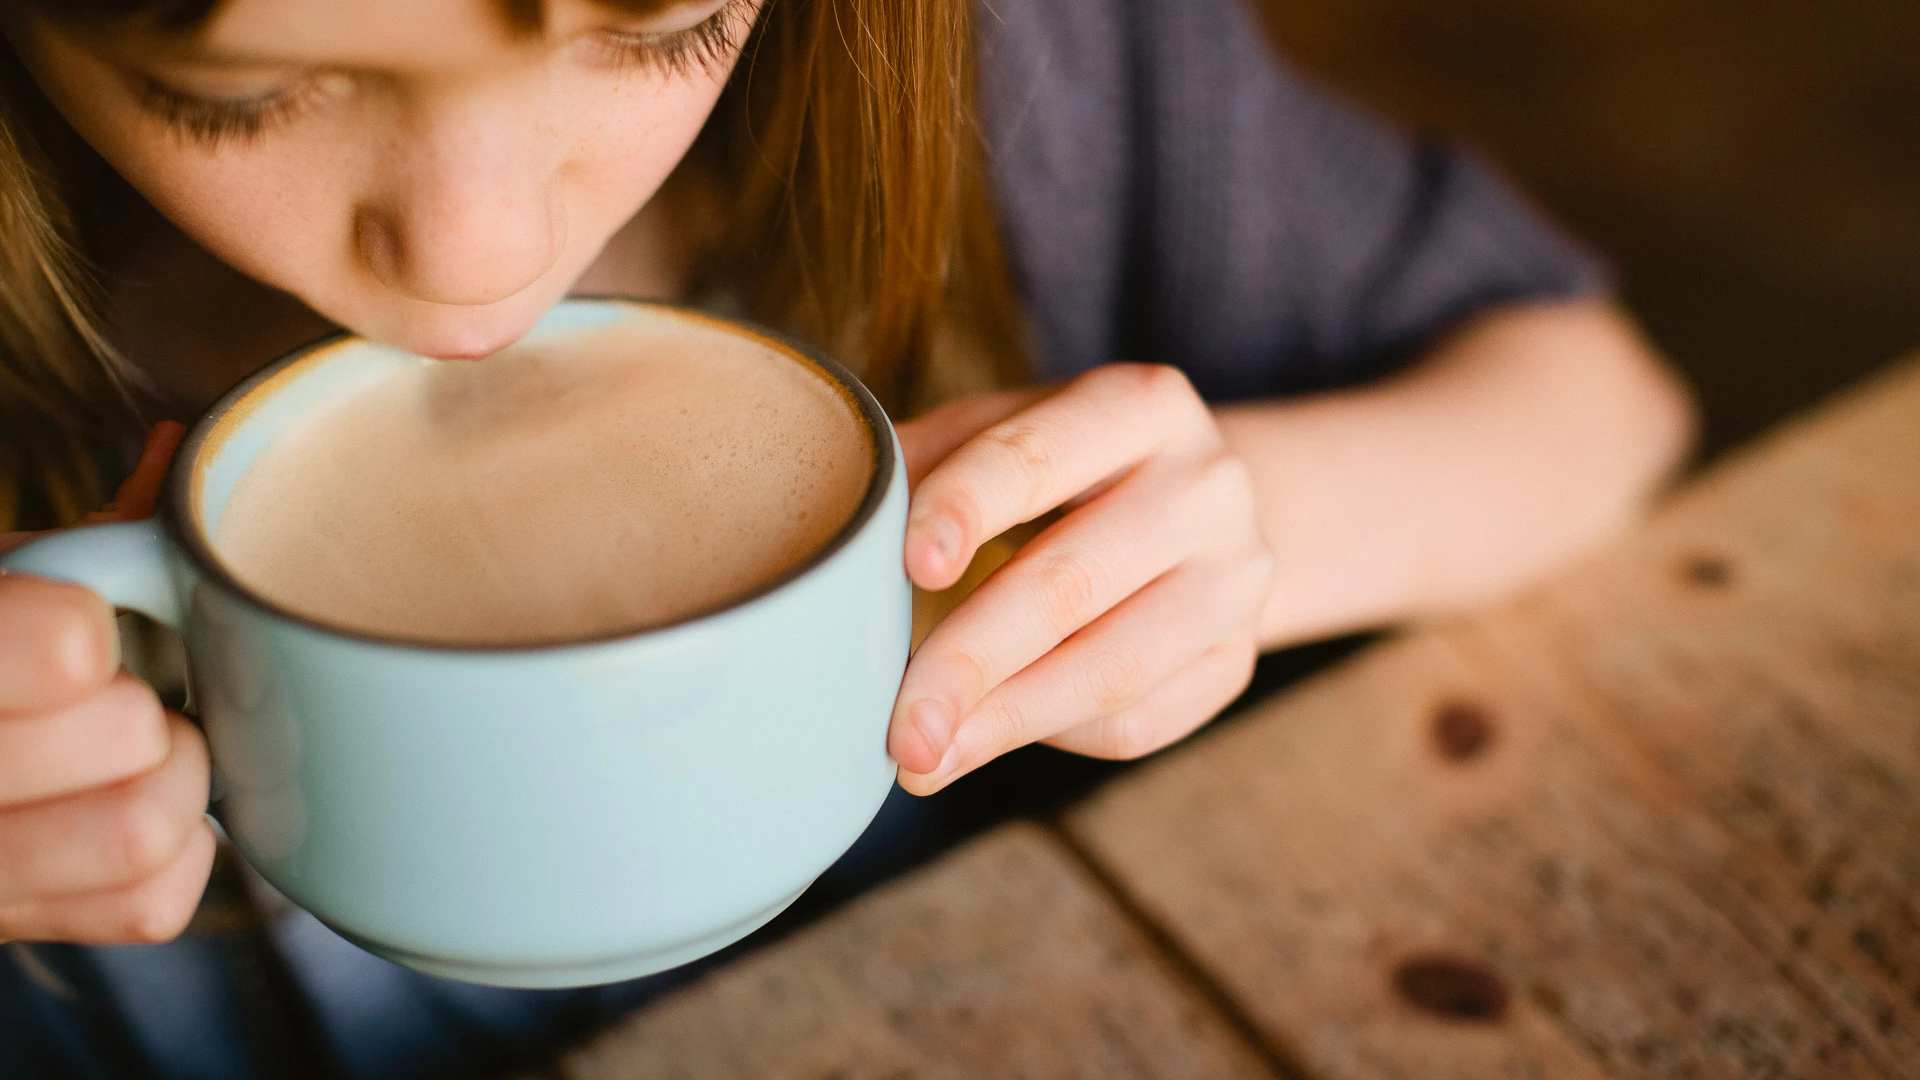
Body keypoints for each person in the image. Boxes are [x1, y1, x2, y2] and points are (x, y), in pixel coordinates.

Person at [0, 0, 1694, 1075]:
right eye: (237, 91)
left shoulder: (1035, 63)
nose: (477, 251)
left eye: (658, 21)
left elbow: (1599, 397)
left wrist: (1234, 535)